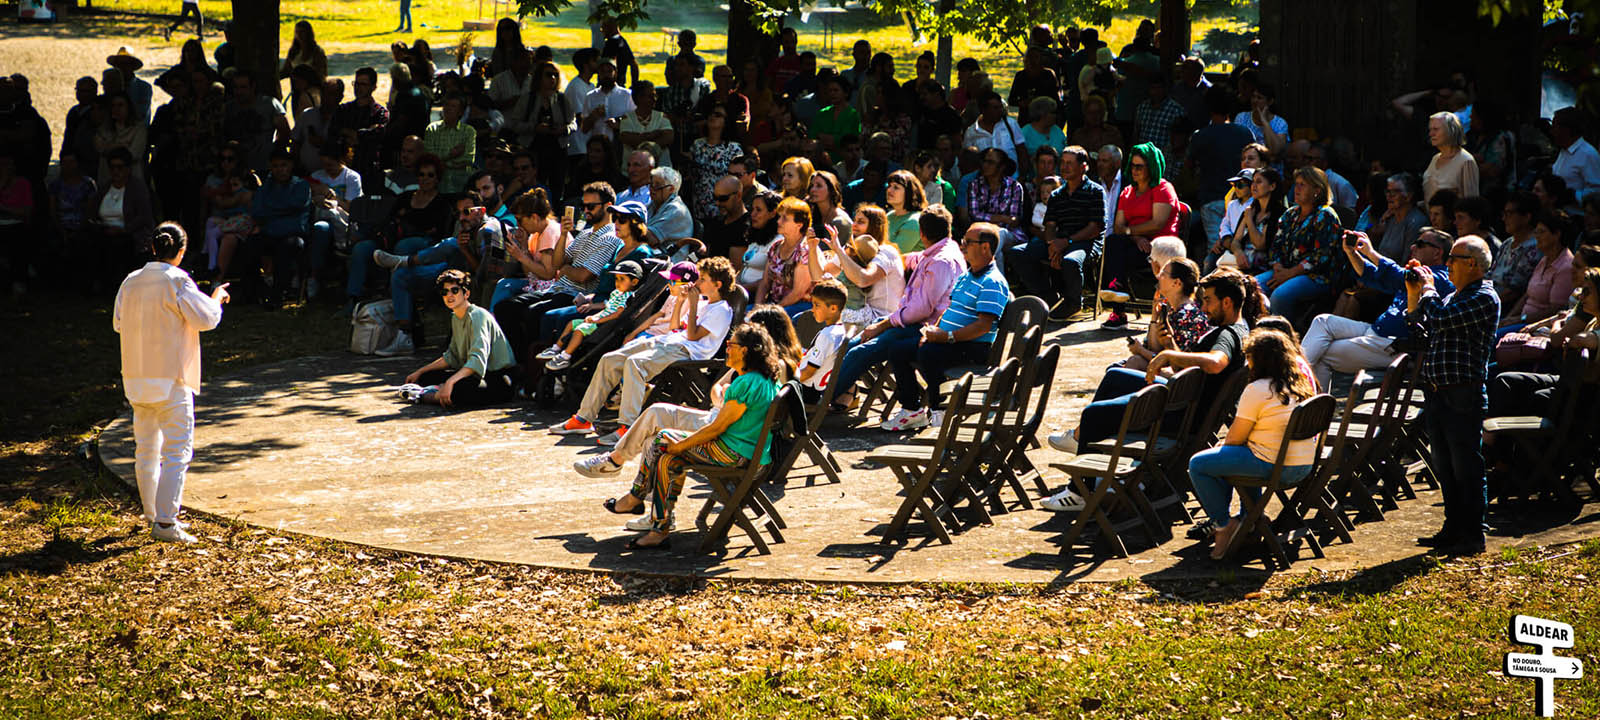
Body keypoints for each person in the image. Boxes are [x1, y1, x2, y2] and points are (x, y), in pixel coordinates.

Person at [1045, 270, 1254, 480]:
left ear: (1227, 302)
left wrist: (1169, 354)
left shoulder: (1227, 335)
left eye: (1208, 300)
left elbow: (1216, 364)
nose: (1204, 307)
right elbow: (1190, 372)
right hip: (1186, 404)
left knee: (1094, 414)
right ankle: (1084, 446)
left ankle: (1082, 487)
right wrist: (1170, 344)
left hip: (1181, 418)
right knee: (1116, 376)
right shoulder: (1242, 329)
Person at [600, 323, 781, 549]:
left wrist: (683, 444)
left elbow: (717, 428)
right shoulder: (764, 380)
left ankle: (636, 496)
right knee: (668, 459)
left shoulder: (745, 383)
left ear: (744, 350)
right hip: (750, 454)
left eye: (730, 344)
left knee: (661, 440)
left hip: (734, 454)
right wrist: (679, 447)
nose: (726, 349)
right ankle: (659, 529)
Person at [114, 223, 230, 544]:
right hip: (169, 379)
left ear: (153, 248)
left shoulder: (131, 281)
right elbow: (206, 318)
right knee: (177, 450)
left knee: (146, 450)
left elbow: (118, 322)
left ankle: (153, 514)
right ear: (180, 252)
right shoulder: (176, 280)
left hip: (136, 377)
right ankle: (165, 522)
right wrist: (217, 297)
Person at [553, 257, 736, 445]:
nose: (698, 282)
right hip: (668, 341)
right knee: (610, 359)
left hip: (685, 351)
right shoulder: (703, 304)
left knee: (636, 364)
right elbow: (675, 328)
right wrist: (681, 302)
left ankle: (627, 428)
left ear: (718, 284)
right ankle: (583, 418)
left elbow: (692, 336)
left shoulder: (721, 310)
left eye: (703, 279)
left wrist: (694, 303)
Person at [1189, 328, 1321, 559]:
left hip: (1275, 468)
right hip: (1303, 465)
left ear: (1258, 360)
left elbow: (1234, 439)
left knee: (1199, 464)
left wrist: (1225, 449)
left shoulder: (1258, 389)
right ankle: (1250, 517)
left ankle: (1223, 524)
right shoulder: (1300, 386)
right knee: (1243, 453)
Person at [1408, 234, 1499, 555]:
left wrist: (1429, 291)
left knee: (1466, 466)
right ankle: (1453, 526)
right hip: (1438, 393)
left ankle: (1473, 533)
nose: (1446, 265)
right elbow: (1422, 330)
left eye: (1453, 259)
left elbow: (1442, 319)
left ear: (1472, 264)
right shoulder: (1454, 296)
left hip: (1463, 393)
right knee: (1444, 465)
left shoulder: (1484, 297)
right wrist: (1414, 298)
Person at [830, 205, 966, 416]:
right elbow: (917, 258)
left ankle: (821, 402)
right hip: (911, 320)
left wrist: (883, 324)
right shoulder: (942, 249)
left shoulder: (941, 261)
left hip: (924, 326)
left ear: (921, 233)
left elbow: (921, 310)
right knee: (851, 343)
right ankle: (829, 393)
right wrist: (894, 259)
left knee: (861, 351)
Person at [884, 221, 1011, 431]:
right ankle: (912, 410)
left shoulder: (993, 281)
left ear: (985, 247)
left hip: (973, 346)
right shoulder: (967, 275)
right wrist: (934, 330)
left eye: (968, 242)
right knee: (898, 350)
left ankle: (940, 410)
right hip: (950, 340)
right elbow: (949, 310)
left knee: (929, 353)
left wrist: (947, 337)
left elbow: (983, 326)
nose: (963, 247)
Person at [1302, 229, 1453, 389]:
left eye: (1420, 244)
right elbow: (1371, 275)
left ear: (1437, 253)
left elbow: (1399, 275)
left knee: (1321, 354)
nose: (1413, 247)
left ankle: (1310, 404)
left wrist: (1371, 252)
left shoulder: (1440, 278)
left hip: (1395, 345)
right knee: (1323, 321)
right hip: (1377, 333)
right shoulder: (1415, 272)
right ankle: (1300, 381)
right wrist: (1352, 253)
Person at [1007, 145, 1106, 321]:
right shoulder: (1057, 194)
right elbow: (1050, 225)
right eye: (1063, 163)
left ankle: (1074, 303)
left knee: (1071, 261)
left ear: (1083, 167)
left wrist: (1066, 242)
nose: (1065, 167)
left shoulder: (1095, 191)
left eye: (1070, 163)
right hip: (1059, 240)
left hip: (1086, 242)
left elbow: (1094, 229)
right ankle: (1047, 295)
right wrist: (1052, 245)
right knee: (1017, 253)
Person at [398, 268, 518, 407]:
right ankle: (436, 391)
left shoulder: (478, 315)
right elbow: (451, 356)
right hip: (475, 375)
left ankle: (425, 396)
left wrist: (450, 382)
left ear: (466, 293)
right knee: (425, 377)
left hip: (498, 378)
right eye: (445, 292)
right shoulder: (456, 317)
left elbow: (477, 360)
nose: (449, 295)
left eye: (454, 290)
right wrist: (420, 371)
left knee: (460, 391)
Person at [1099, 143, 1180, 328]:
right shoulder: (1127, 192)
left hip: (1161, 247)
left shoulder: (1163, 189)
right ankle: (1116, 292)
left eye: (1139, 166)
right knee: (1113, 241)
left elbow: (1157, 224)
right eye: (1133, 165)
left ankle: (1117, 304)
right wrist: (1135, 237)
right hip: (1136, 245)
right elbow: (1118, 227)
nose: (1134, 170)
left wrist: (1132, 232)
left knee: (1119, 256)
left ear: (1151, 167)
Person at [1257, 167, 1342, 322]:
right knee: (1252, 287)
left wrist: (1290, 274)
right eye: (1296, 184)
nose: (1297, 189)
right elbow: (1276, 246)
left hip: (1316, 276)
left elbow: (1321, 257)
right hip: (1284, 271)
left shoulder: (1325, 216)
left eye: (1303, 185)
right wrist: (1278, 268)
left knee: (1280, 295)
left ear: (1317, 189)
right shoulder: (1291, 214)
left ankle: (1282, 336)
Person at [537, 260, 642, 370]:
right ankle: (556, 348)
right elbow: (607, 308)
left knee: (579, 330)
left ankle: (565, 356)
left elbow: (617, 314)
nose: (618, 282)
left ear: (634, 282)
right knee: (571, 323)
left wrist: (597, 320)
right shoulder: (615, 293)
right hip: (599, 319)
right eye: (616, 279)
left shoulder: (628, 297)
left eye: (622, 279)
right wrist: (595, 315)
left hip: (605, 324)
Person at [1122, 256, 1213, 372]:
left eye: (1163, 274)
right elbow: (1154, 349)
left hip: (1183, 380)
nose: (1158, 276)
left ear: (1176, 283)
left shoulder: (1187, 316)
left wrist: (1140, 350)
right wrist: (1155, 317)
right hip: (1172, 373)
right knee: (1121, 366)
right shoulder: (1173, 311)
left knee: (1132, 363)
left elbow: (1175, 364)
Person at [87, 148, 156, 290]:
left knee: (118, 246)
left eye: (120, 167)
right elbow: (92, 212)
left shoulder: (137, 188)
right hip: (104, 230)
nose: (116, 171)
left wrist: (124, 229)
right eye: (112, 167)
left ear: (128, 169)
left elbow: (144, 217)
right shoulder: (104, 188)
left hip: (129, 233)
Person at [1497, 213, 1575, 337]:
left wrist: (1520, 320)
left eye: (1541, 232)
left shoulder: (1566, 267)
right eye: (1536, 232)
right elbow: (1527, 295)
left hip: (1537, 327)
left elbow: (1555, 309)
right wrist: (1510, 317)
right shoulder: (1544, 259)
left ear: (1556, 235)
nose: (1536, 236)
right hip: (1521, 320)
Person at [756, 197, 821, 313]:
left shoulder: (805, 250)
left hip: (799, 307)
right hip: (775, 304)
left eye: (784, 218)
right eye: (779, 217)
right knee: (746, 312)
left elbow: (798, 293)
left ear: (799, 225)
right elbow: (765, 283)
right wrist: (758, 307)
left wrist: (772, 311)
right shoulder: (776, 247)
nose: (778, 221)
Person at [797, 279, 850, 403]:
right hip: (813, 389)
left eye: (817, 305)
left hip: (805, 391)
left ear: (833, 308)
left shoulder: (827, 336)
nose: (813, 309)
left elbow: (809, 372)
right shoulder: (840, 330)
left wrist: (786, 382)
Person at [1358, 173, 1428, 263]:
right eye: (1388, 191)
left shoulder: (1415, 222)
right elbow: (1371, 236)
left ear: (1409, 196)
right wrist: (1379, 225)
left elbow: (1407, 262)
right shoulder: (1389, 217)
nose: (1389, 196)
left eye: (1395, 192)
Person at [1488, 191, 1540, 309]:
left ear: (1527, 217)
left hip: (1503, 306)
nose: (1504, 218)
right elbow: (1491, 274)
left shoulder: (1534, 248)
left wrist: (1485, 304)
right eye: (1504, 213)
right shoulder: (1507, 243)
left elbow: (1514, 291)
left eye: (1510, 214)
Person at [687, 108, 740, 220]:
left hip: (722, 206)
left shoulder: (733, 148)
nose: (713, 116)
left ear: (726, 122)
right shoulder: (697, 145)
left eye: (718, 115)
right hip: (699, 205)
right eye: (711, 113)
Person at [1422, 111, 1480, 202]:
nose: (1431, 134)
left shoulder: (1466, 161)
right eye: (1430, 129)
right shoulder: (1435, 159)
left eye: (1436, 129)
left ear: (1451, 130)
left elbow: (1471, 202)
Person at [424, 95, 476, 192]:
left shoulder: (469, 131)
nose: (448, 109)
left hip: (460, 184)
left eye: (453, 106)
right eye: (446, 105)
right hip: (437, 185)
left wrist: (442, 163)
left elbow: (468, 160)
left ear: (461, 112)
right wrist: (451, 155)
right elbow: (429, 158)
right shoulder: (432, 129)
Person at [968, 149, 1025, 238]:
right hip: (982, 231)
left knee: (1000, 235)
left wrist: (990, 219)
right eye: (985, 161)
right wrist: (1002, 218)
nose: (985, 165)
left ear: (1001, 167)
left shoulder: (1014, 187)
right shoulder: (975, 185)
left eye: (990, 162)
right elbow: (974, 215)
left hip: (1008, 233)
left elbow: (1014, 220)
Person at [962, 91, 1028, 168]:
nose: (1000, 111)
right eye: (995, 108)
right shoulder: (971, 132)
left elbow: (1021, 150)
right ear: (983, 110)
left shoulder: (1011, 124)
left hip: (1012, 177)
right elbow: (968, 159)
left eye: (1001, 107)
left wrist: (1022, 176)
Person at [645, 167, 695, 259]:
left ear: (671, 189)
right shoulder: (652, 205)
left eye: (657, 186)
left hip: (669, 264)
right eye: (651, 185)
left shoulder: (676, 210)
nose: (652, 189)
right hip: (651, 258)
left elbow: (650, 239)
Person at [1549, 107, 1598, 202]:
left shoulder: (1587, 154)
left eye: (1554, 127)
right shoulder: (1563, 151)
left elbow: (1597, 190)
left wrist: (1573, 196)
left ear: (1566, 130)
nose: (1552, 132)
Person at [1232, 83, 1287, 158]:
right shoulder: (1241, 117)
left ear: (1270, 101)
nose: (1255, 101)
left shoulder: (1280, 123)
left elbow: (1276, 150)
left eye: (1259, 98)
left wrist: (1264, 122)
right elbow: (1237, 146)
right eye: (1253, 97)